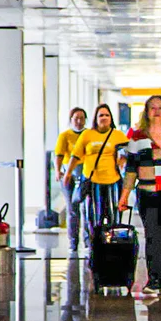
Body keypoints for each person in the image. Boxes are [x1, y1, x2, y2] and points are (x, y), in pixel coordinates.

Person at [118, 95, 161, 295]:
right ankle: (155, 279)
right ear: (146, 111)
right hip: (147, 193)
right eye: (152, 108)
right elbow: (131, 169)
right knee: (153, 234)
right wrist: (124, 196)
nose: (157, 111)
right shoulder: (138, 136)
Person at [64, 104, 129, 249]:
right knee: (94, 217)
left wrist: (123, 161)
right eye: (101, 115)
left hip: (113, 181)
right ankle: (96, 247)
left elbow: (126, 154)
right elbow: (76, 155)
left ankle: (113, 247)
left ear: (111, 118)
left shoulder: (118, 135)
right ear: (95, 119)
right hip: (93, 182)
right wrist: (68, 173)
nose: (104, 118)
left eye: (107, 115)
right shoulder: (87, 135)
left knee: (114, 216)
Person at [55, 107, 88, 251]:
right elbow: (59, 154)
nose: (79, 121)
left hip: (85, 174)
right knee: (72, 208)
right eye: (76, 118)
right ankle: (73, 241)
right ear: (71, 120)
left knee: (87, 208)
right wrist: (58, 171)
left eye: (82, 118)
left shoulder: (88, 134)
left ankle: (88, 241)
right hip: (69, 174)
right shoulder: (65, 135)